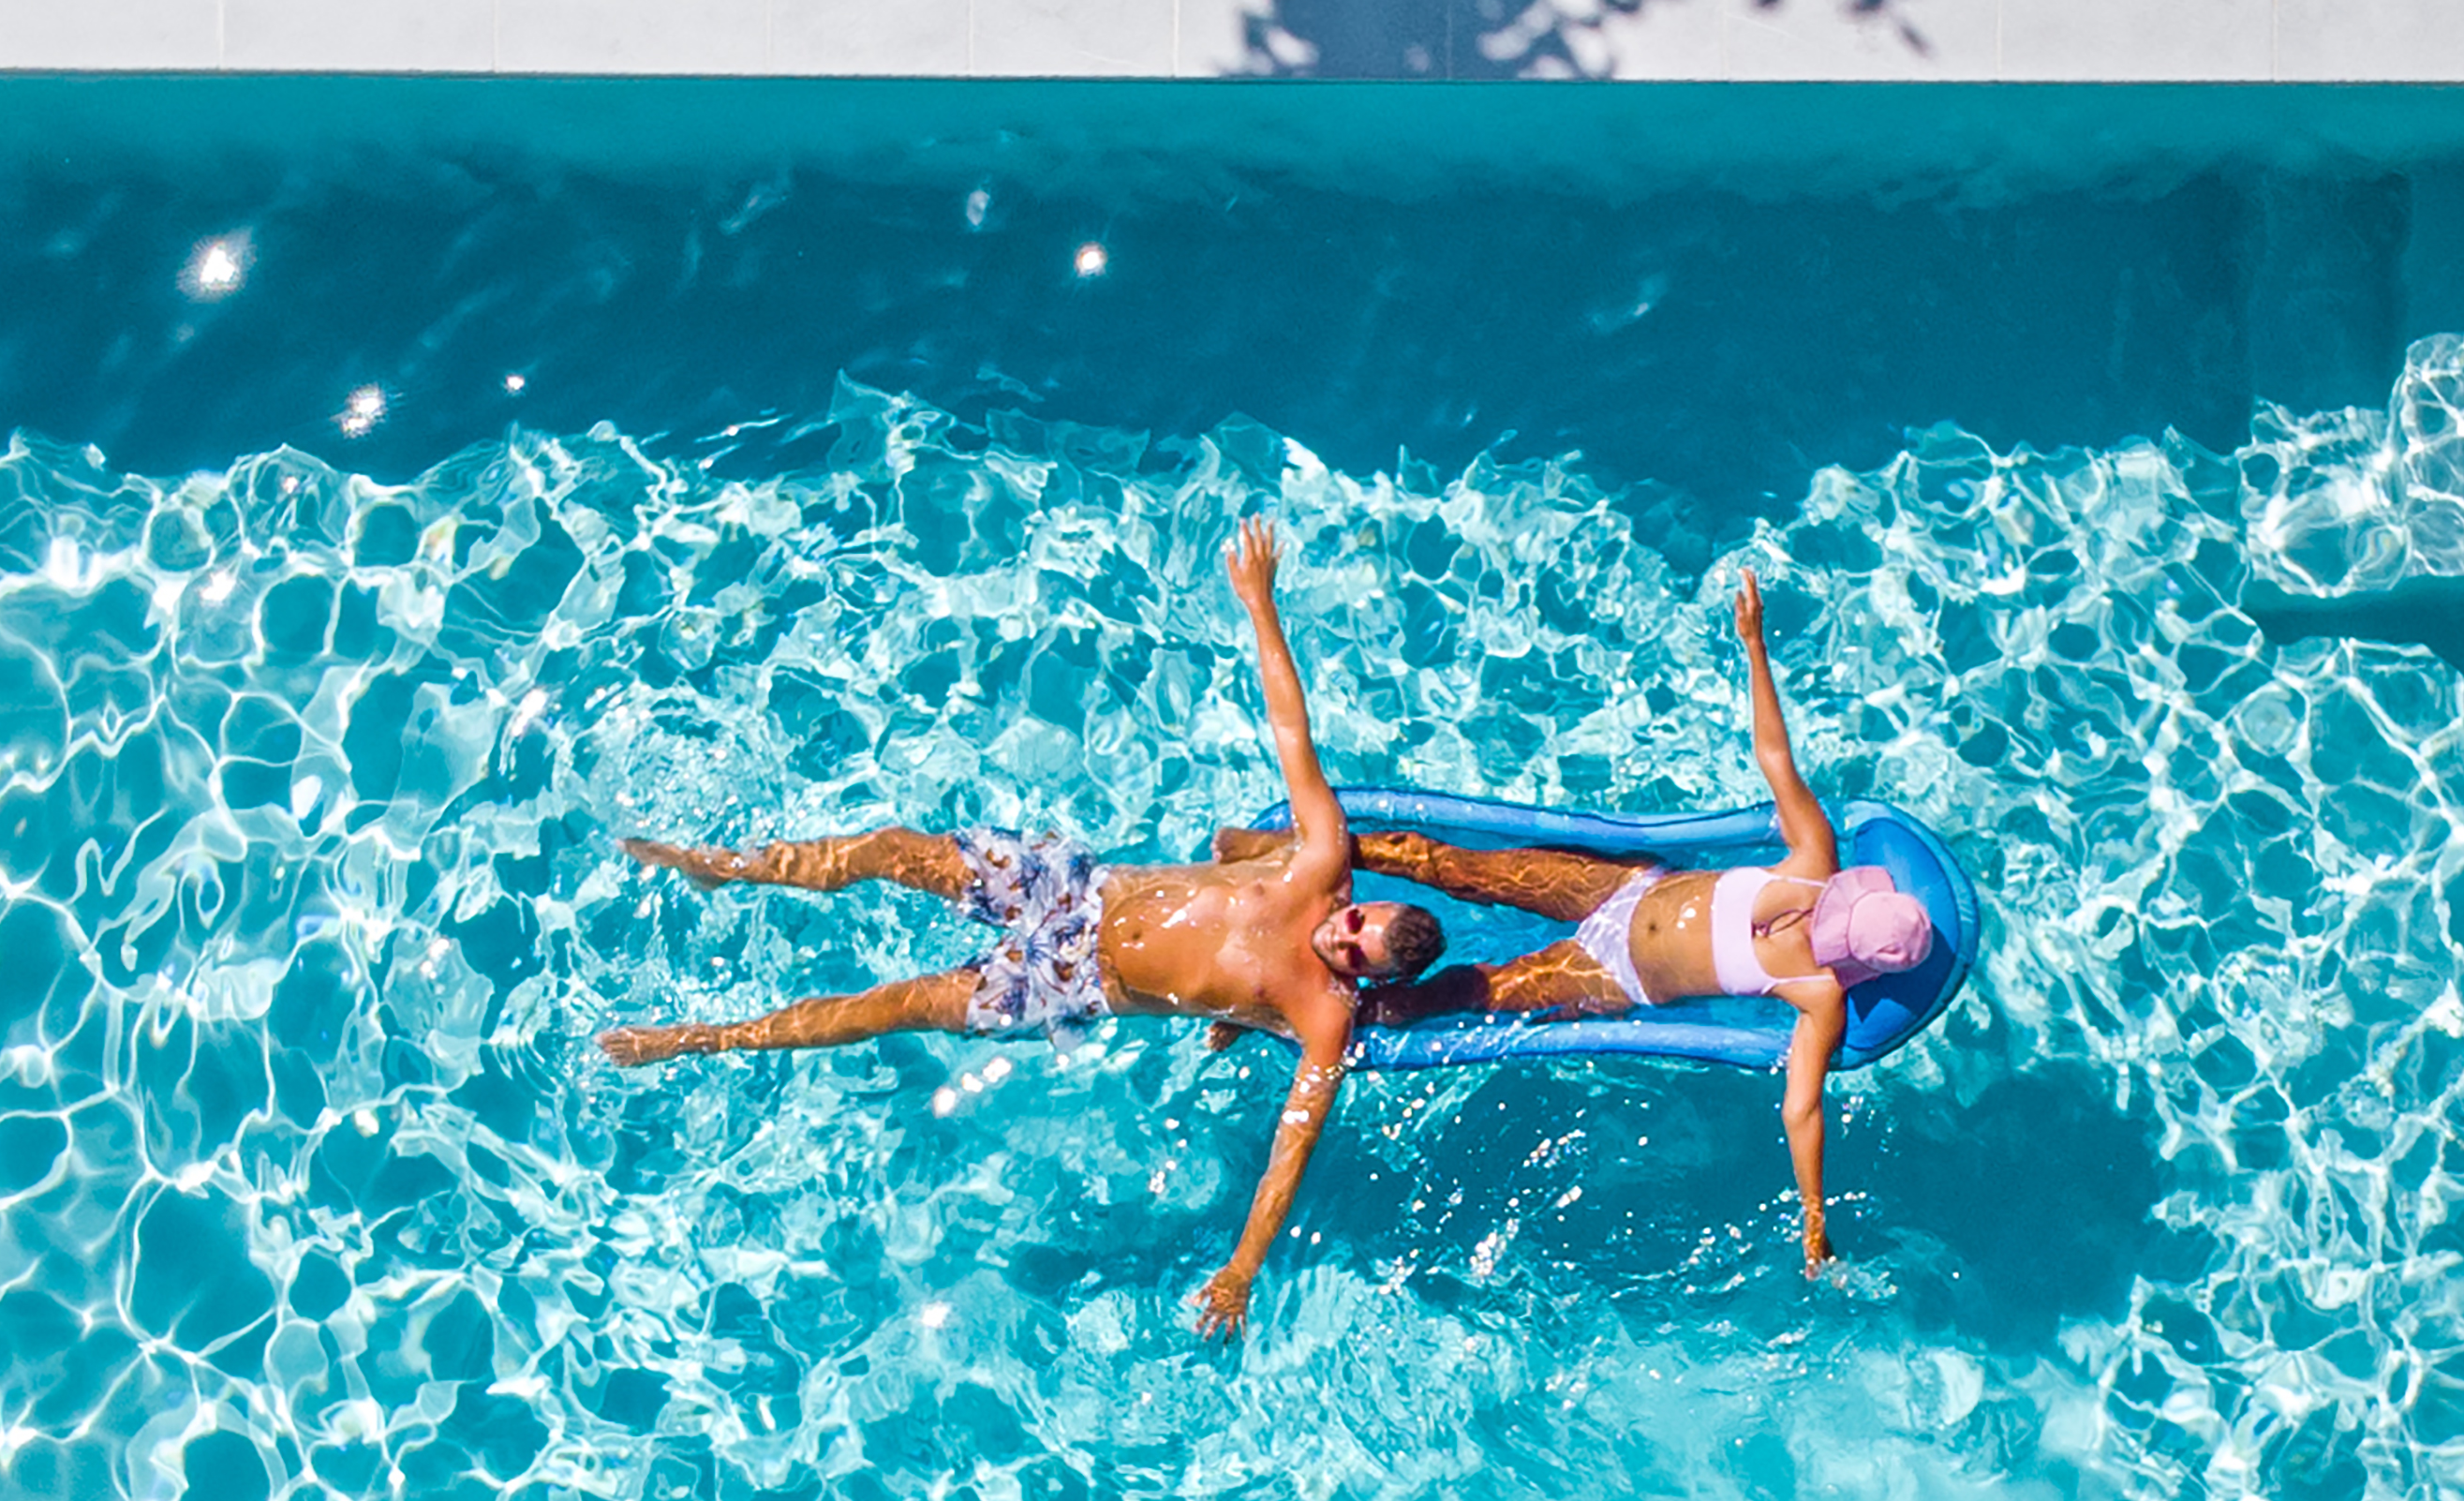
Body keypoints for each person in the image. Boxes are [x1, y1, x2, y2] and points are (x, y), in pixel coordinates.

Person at [599, 520, 1449, 1337]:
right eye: (1355, 923)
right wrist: (1260, 602)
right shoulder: (1319, 858)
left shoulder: (1325, 1017)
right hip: (1074, 887)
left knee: (890, 1006)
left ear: (1367, 980)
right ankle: (721, 864)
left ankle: (699, 1038)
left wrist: (1242, 1268)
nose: (1340, 939)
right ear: (1361, 902)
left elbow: (1286, 1158)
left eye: (1354, 955)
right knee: (892, 852)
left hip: (1072, 982)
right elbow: (1291, 729)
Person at [1313, 567, 1936, 1274]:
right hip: (1623, 889)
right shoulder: (1812, 862)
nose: (1822, 917)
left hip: (1615, 974)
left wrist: (1813, 1224)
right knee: (1459, 866)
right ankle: (1313, 858)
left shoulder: (1820, 992)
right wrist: (1754, 645)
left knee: (1460, 993)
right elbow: (1773, 755)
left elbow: (1803, 1112)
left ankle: (1327, 1005)